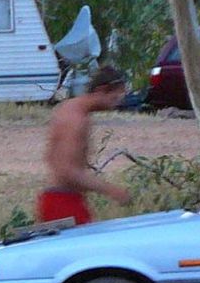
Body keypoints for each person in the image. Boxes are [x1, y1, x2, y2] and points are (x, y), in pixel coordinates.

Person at [39, 65, 132, 225]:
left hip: (65, 199)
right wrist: (111, 190)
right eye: (115, 96)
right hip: (62, 202)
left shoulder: (69, 108)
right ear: (101, 90)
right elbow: (66, 171)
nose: (118, 101)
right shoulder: (76, 119)